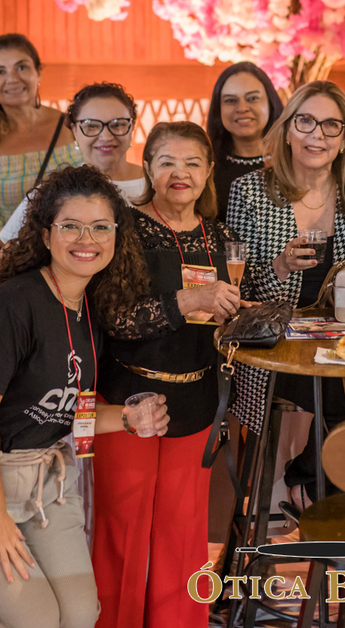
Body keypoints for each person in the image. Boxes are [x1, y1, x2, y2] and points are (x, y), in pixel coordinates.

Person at [0, 165, 164, 628]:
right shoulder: (12, 306)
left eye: (100, 227)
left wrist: (128, 419)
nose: (86, 239)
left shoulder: (87, 306)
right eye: (70, 226)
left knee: (80, 616)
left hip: (42, 483)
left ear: (116, 236)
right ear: (46, 235)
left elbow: (66, 409)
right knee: (39, 621)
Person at [93, 122, 240, 628]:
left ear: (209, 171)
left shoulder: (220, 235)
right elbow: (116, 317)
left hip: (196, 398)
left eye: (193, 163)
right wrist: (191, 298)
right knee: (121, 528)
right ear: (148, 169)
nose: (181, 173)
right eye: (167, 162)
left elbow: (225, 311)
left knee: (183, 533)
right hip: (128, 398)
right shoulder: (126, 230)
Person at [226, 80, 345, 498]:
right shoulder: (250, 191)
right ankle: (309, 490)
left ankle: (310, 487)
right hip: (275, 343)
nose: (317, 135)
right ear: (287, 131)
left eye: (331, 125)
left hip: (343, 337)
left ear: (344, 139)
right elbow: (237, 288)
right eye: (306, 122)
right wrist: (279, 266)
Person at [0, 82, 145, 319]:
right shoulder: (57, 189)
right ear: (74, 130)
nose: (106, 136)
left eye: (118, 124)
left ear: (132, 127)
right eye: (91, 126)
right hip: (71, 318)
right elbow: (11, 249)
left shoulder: (155, 186)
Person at [0, 33, 83, 245]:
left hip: (82, 248)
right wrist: (27, 250)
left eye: (21, 67)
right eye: (0, 72)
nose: (13, 79)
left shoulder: (73, 126)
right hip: (20, 256)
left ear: (38, 72)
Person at [206, 62, 284, 217]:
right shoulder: (205, 168)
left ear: (270, 103)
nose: (242, 108)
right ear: (218, 109)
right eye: (230, 100)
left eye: (252, 98)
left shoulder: (292, 163)